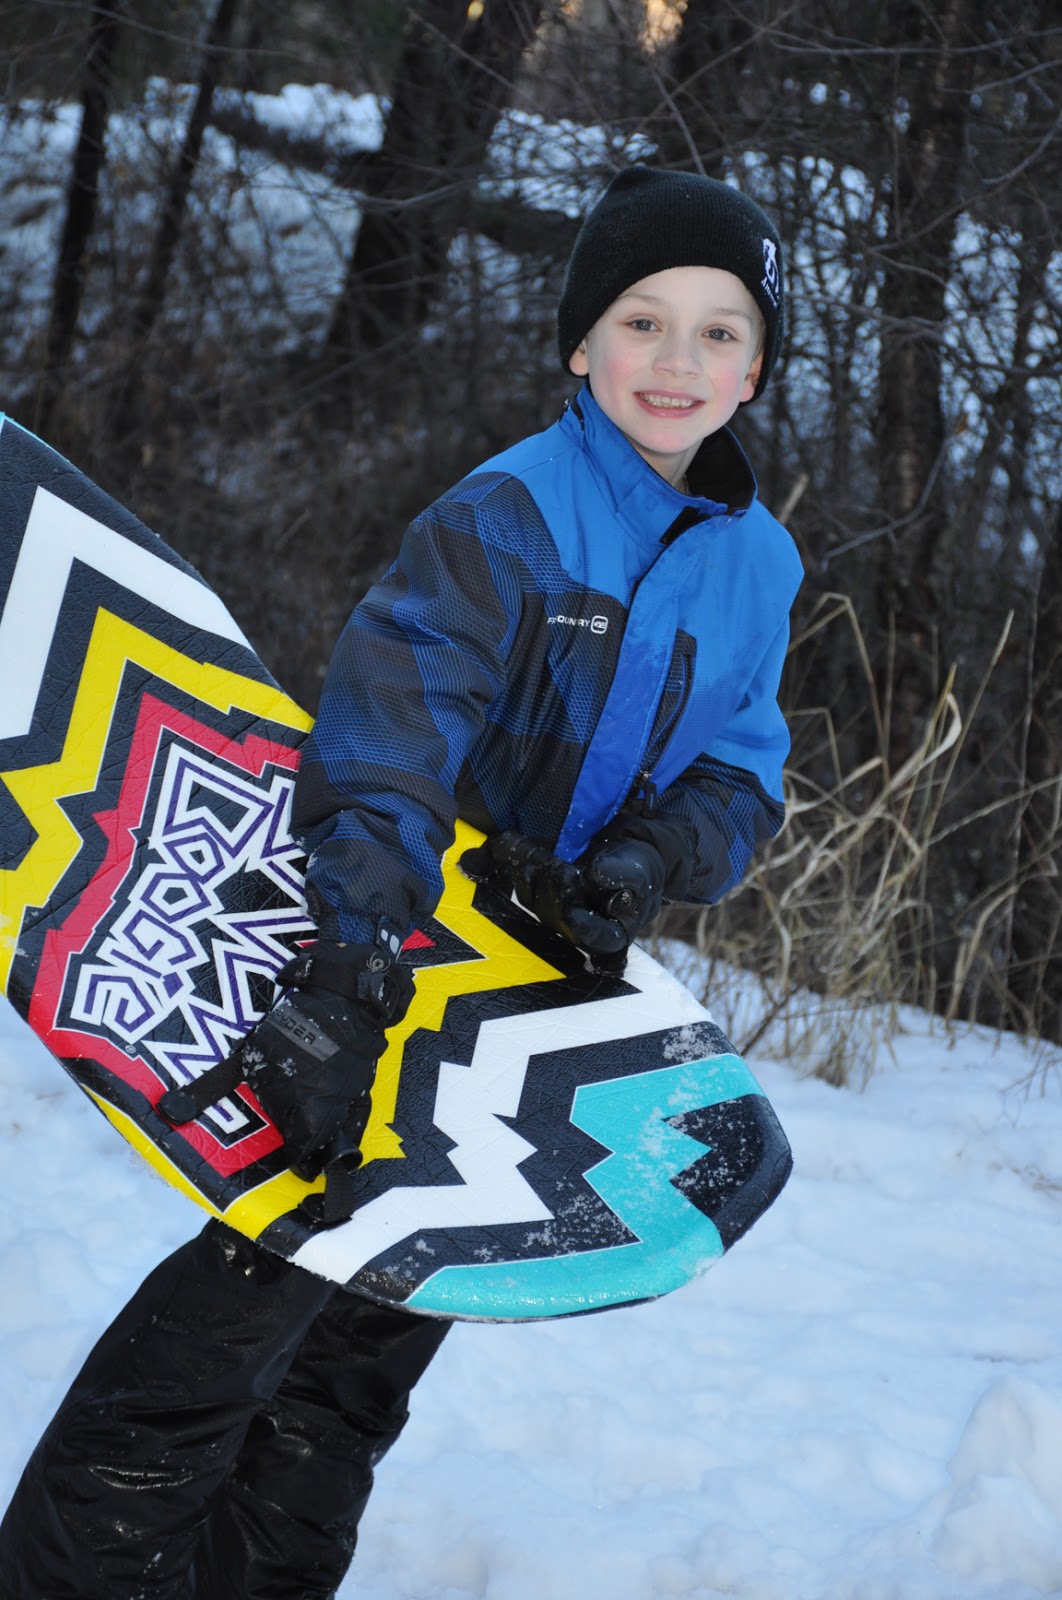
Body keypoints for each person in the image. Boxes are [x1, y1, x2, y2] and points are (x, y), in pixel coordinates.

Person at [0, 164, 803, 1599]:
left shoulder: (760, 566)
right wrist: (348, 966)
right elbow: (390, 743)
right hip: (374, 951)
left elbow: (742, 775)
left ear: (756, 368)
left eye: (718, 330)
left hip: (522, 1004)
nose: (676, 359)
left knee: (368, 1359)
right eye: (641, 320)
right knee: (241, 1315)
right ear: (580, 345)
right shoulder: (506, 517)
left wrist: (644, 861)